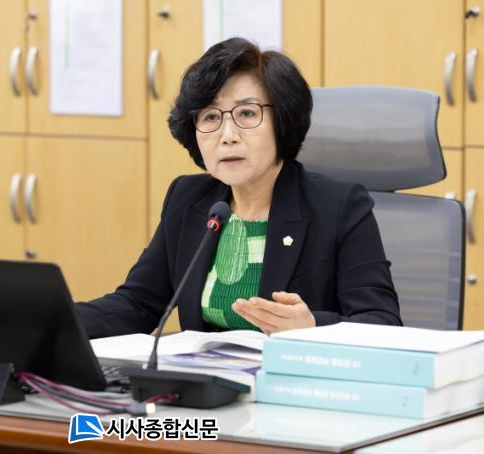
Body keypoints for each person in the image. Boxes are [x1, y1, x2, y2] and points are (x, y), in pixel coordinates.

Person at [75, 37, 401, 339]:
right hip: (204, 378)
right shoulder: (188, 199)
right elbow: (139, 303)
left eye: (246, 113)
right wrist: (58, 319)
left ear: (282, 121)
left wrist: (312, 326)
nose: (227, 135)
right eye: (210, 117)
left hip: (291, 378)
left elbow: (382, 322)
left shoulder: (338, 206)